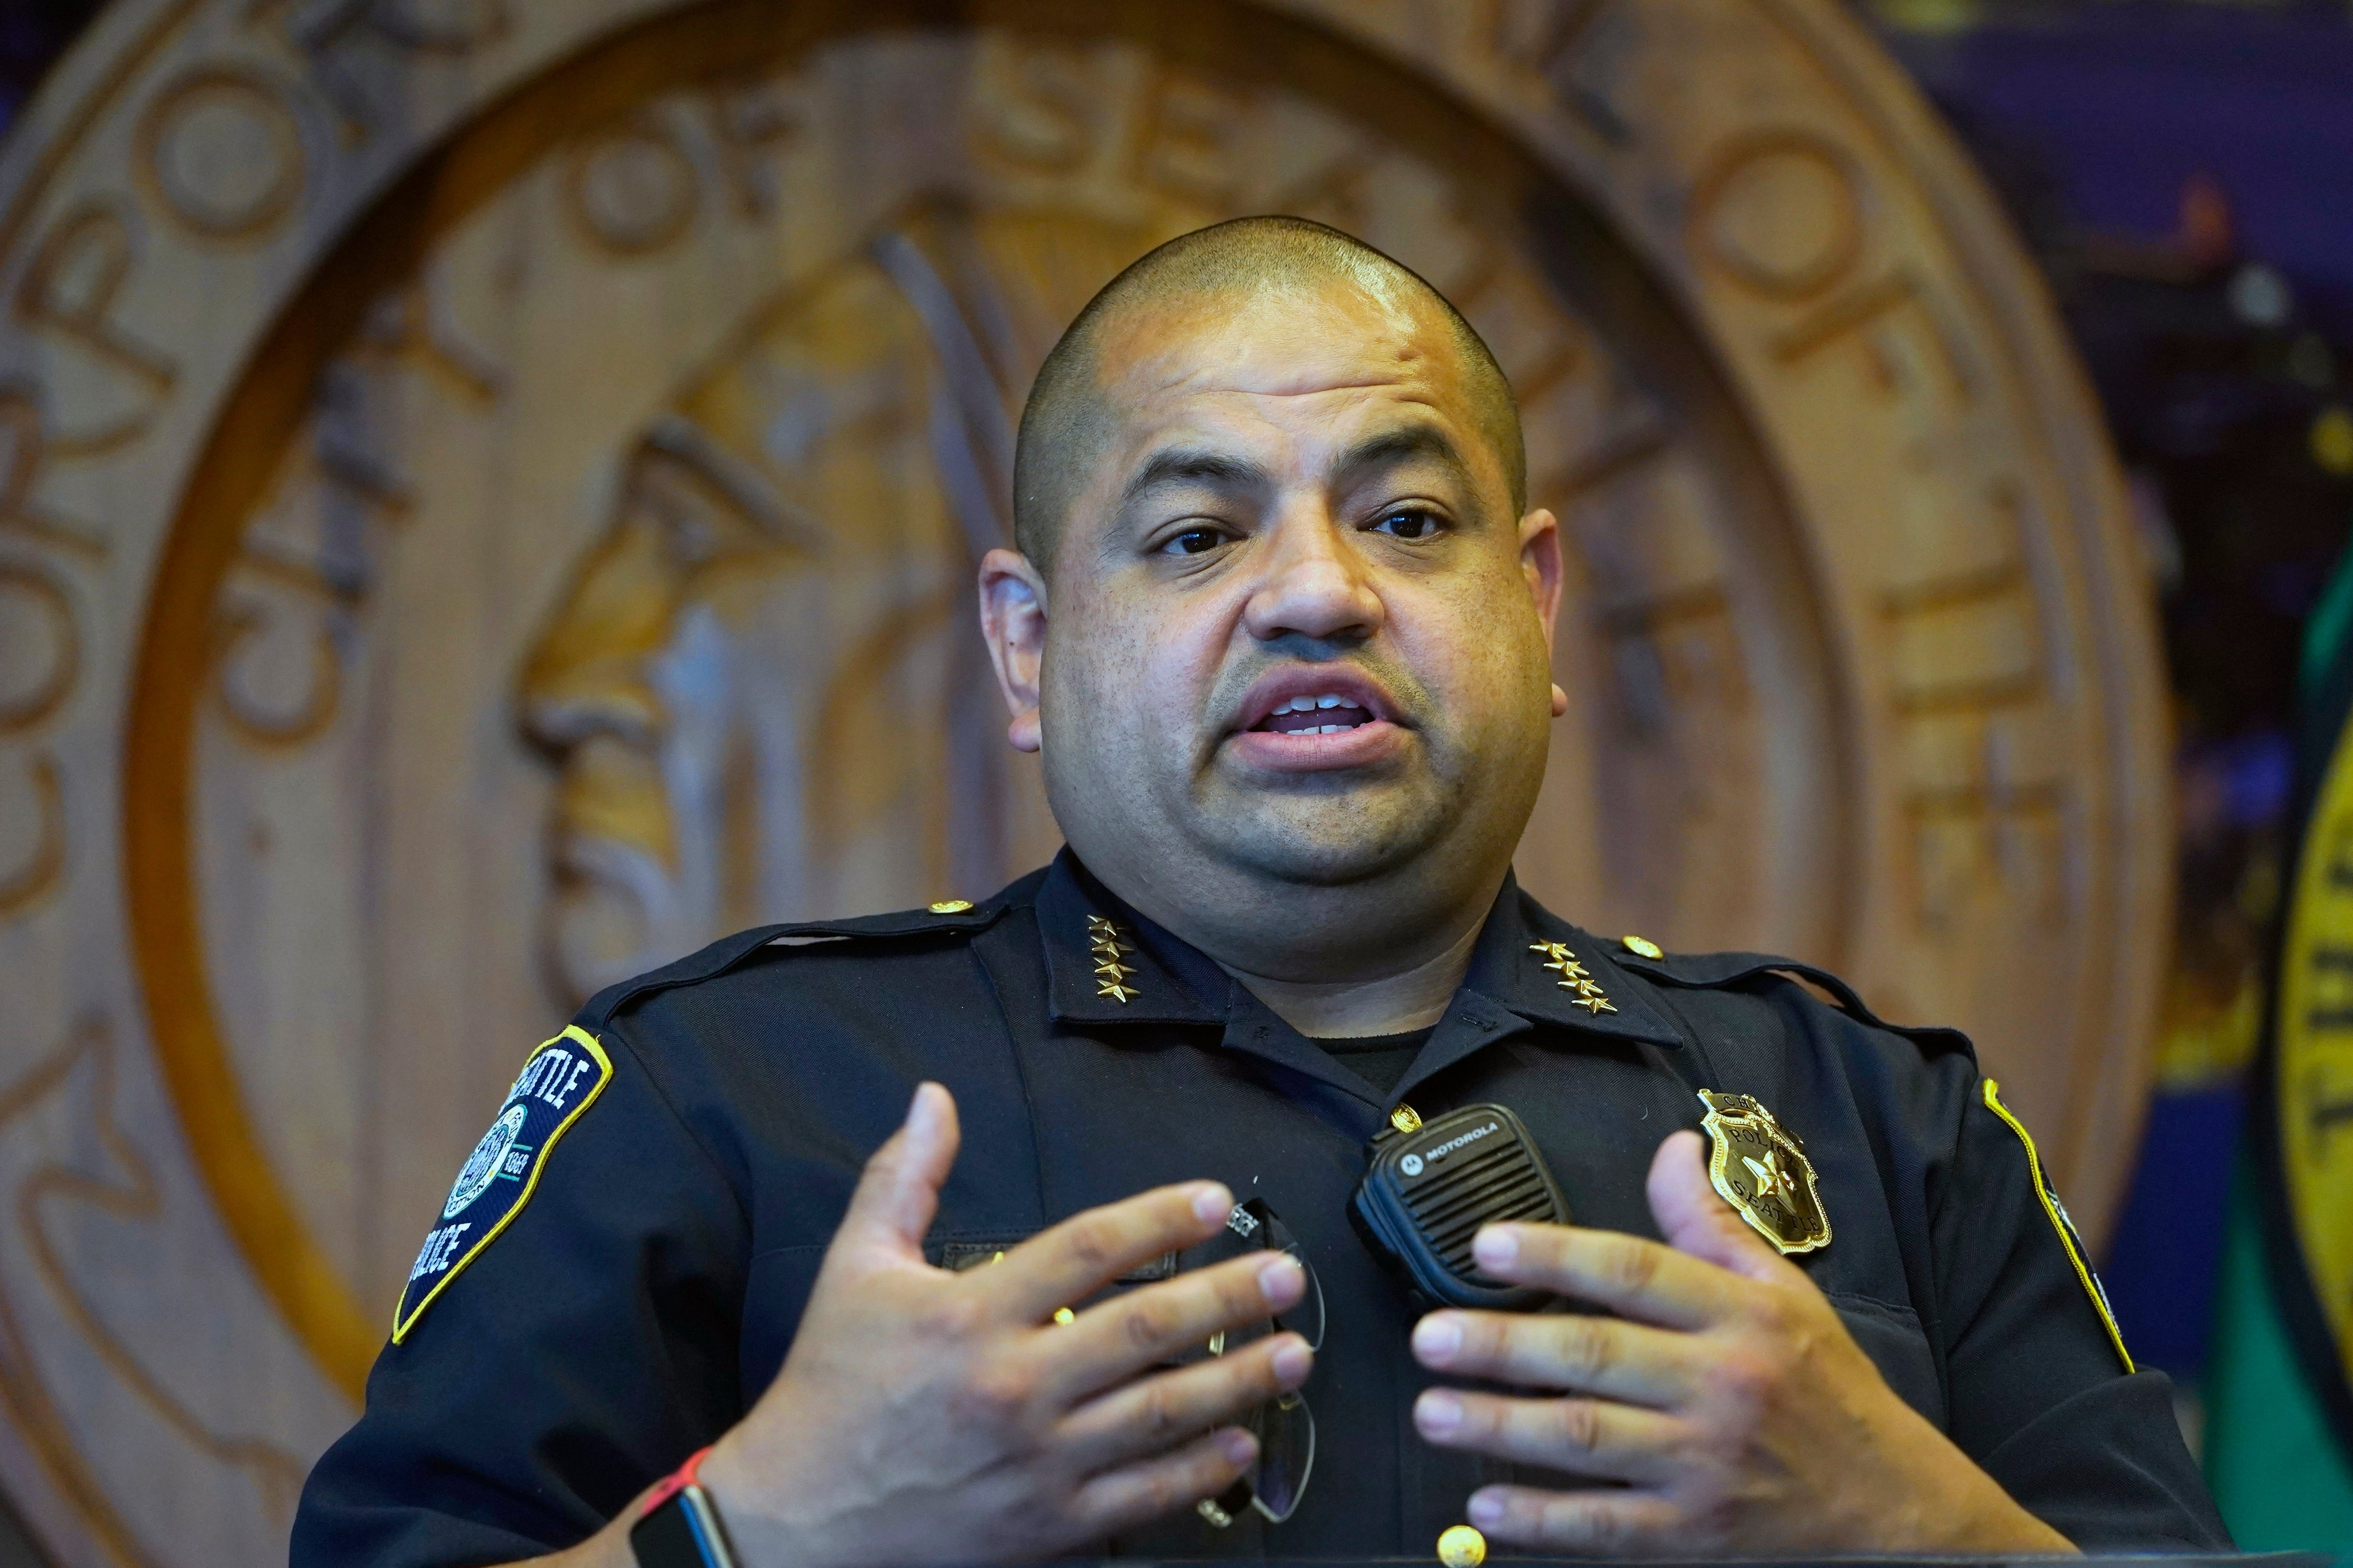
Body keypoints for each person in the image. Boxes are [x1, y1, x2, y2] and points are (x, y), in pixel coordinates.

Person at [291, 216, 2229, 1566]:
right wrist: (760, 1536)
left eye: (1405, 515)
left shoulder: (1877, 1119)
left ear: (1534, 605)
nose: (1318, 589)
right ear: (1031, 651)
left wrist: (1913, 1526)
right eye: (1201, 529)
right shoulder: (721, 1095)